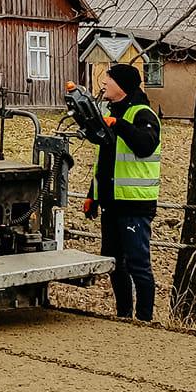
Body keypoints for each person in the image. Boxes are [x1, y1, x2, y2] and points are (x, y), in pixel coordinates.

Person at [84, 63, 162, 321]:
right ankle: (124, 316)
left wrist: (119, 125)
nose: (103, 82)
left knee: (137, 264)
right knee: (114, 263)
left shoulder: (143, 114)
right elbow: (105, 161)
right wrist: (92, 195)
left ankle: (144, 318)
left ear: (122, 85)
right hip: (111, 204)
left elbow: (145, 146)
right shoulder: (110, 113)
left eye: (108, 78)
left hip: (134, 206)